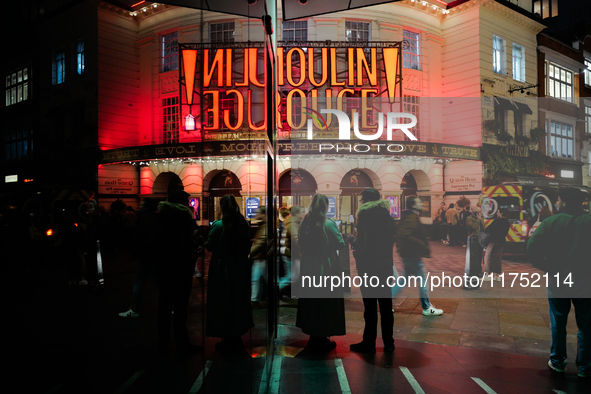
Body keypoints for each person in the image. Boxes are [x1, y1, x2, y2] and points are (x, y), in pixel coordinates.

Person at [527, 187, 591, 377]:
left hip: (559, 279)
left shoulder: (550, 222)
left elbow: (532, 247)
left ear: (562, 202)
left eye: (558, 200)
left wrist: (546, 266)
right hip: (585, 280)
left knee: (558, 322)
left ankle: (558, 361)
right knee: (586, 325)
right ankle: (585, 366)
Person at [296, 194, 346, 351]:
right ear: (325, 206)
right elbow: (340, 243)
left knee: (312, 301)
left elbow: (300, 243)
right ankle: (322, 336)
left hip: (309, 267)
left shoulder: (306, 222)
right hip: (326, 267)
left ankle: (313, 335)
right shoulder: (328, 223)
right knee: (326, 301)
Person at [348, 188, 396, 353]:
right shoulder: (389, 219)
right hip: (384, 266)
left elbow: (363, 245)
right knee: (385, 306)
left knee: (370, 307)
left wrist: (352, 240)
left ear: (366, 201)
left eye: (362, 200)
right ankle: (389, 343)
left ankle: (369, 342)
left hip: (368, 267)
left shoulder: (365, 218)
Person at [205, 194, 253, 353]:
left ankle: (227, 336)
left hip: (223, 267)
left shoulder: (219, 225)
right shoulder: (243, 223)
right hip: (240, 267)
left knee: (223, 300)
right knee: (238, 300)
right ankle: (237, 335)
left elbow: (210, 246)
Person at [156, 190, 201, 354]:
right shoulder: (183, 218)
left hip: (164, 268)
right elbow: (186, 246)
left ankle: (163, 343)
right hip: (180, 268)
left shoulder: (161, 217)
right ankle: (182, 343)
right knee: (181, 308)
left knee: (164, 307)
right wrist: (197, 242)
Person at [393, 196, 443, 316]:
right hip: (412, 255)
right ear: (414, 205)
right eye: (419, 202)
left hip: (408, 254)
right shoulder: (412, 218)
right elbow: (404, 234)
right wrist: (421, 245)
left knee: (403, 280)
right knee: (422, 280)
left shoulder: (408, 217)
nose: (421, 203)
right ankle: (426, 307)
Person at [119, 198, 159, 318]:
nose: (139, 206)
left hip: (146, 256)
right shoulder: (157, 219)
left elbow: (140, 239)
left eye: (142, 204)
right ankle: (171, 306)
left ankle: (135, 309)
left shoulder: (143, 219)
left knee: (139, 283)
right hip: (155, 256)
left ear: (146, 207)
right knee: (158, 283)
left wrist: (134, 253)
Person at [482, 208, 510, 281]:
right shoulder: (507, 222)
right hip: (501, 242)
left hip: (493, 241)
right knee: (497, 258)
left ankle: (487, 274)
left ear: (501, 213)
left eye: (498, 212)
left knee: (487, 257)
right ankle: (497, 275)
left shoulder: (496, 221)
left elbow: (487, 229)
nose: (497, 213)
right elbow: (505, 233)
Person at [250, 206, 267, 306]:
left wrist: (250, 253)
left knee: (256, 278)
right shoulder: (263, 224)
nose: (256, 215)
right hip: (261, 256)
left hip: (261, 256)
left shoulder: (265, 225)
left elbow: (261, 242)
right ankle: (256, 298)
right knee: (260, 277)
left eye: (258, 213)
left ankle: (254, 299)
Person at [464, 206, 484, 279]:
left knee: (480, 256)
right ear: (474, 213)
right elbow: (473, 227)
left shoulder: (481, 218)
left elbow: (482, 227)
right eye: (478, 213)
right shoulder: (469, 218)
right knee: (474, 256)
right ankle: (474, 271)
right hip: (474, 239)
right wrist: (478, 220)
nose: (479, 214)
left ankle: (479, 270)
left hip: (480, 239)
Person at [278, 207, 292, 296]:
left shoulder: (282, 224)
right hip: (288, 252)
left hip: (284, 252)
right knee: (290, 276)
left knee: (289, 275)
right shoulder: (288, 224)